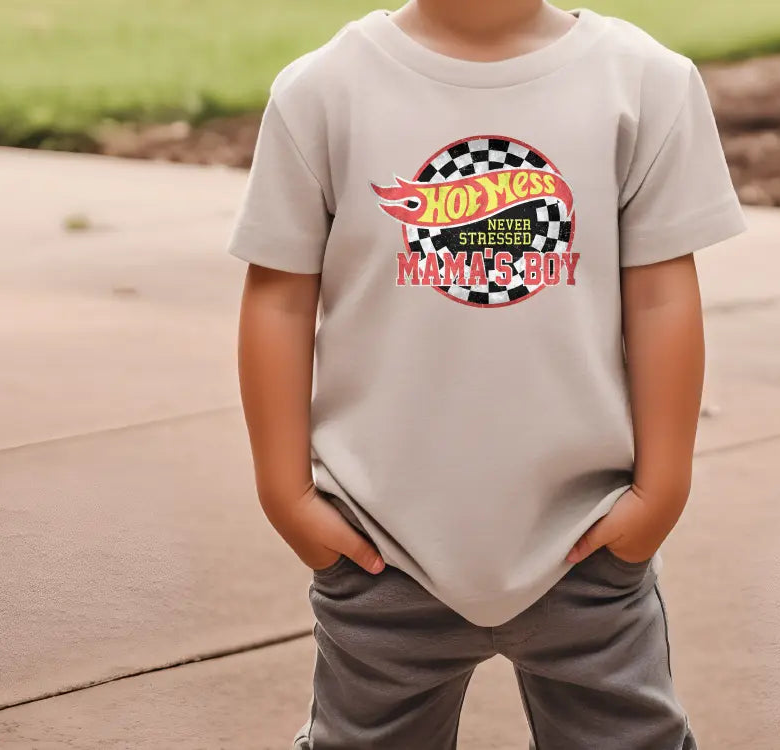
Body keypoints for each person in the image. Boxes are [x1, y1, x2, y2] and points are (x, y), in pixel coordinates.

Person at [227, 1, 746, 747]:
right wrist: (287, 493)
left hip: (587, 539)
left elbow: (663, 297)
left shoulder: (644, 83)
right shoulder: (323, 91)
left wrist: (662, 490)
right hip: (379, 542)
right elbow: (278, 297)